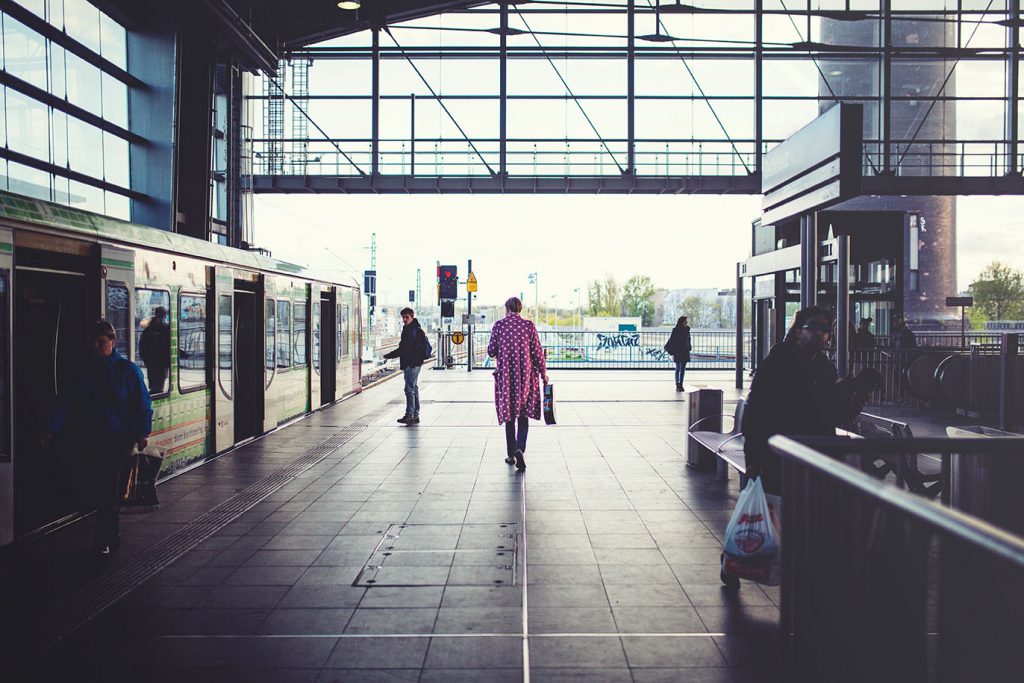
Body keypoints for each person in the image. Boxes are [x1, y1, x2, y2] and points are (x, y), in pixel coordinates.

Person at [42, 320, 152, 557]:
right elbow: (65, 401)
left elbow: (143, 404)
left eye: (101, 342)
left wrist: (143, 432)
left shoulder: (127, 371)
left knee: (106, 488)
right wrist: (51, 427)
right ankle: (111, 532)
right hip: (89, 439)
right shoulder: (82, 372)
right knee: (104, 488)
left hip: (118, 440)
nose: (95, 346)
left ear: (113, 342)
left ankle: (103, 538)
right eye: (92, 342)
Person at [741, 306, 868, 498]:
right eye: (813, 327)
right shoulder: (776, 364)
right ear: (798, 332)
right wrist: (753, 459)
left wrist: (854, 405)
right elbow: (756, 412)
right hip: (778, 453)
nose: (820, 333)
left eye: (825, 329)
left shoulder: (826, 370)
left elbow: (828, 415)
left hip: (815, 456)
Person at [487, 296, 548, 471]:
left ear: (507, 309)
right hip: (526, 377)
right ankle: (520, 448)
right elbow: (537, 353)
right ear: (520, 309)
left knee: (509, 416)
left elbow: (491, 351)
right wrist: (543, 373)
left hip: (507, 378)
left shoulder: (499, 326)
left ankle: (511, 454)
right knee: (523, 414)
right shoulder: (529, 326)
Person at [384, 307, 429, 425]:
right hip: (409, 364)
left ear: (412, 317)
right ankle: (415, 415)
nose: (404, 319)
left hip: (412, 365)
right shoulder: (407, 330)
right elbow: (402, 349)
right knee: (413, 389)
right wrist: (390, 355)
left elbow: (419, 350)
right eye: (403, 317)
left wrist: (413, 363)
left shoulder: (417, 331)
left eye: (407, 317)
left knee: (409, 389)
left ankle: (410, 415)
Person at [139, 306, 171, 393]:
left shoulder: (148, 329)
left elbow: (142, 346)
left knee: (153, 385)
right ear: (165, 316)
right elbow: (170, 344)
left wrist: (146, 359)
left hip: (152, 362)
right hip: (161, 362)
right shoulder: (167, 328)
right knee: (159, 385)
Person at [664, 316, 692, 392]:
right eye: (685, 321)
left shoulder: (687, 330)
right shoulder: (676, 330)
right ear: (681, 322)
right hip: (678, 351)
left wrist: (689, 347)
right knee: (678, 367)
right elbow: (672, 340)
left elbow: (688, 339)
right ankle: (677, 384)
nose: (686, 322)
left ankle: (681, 384)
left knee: (683, 368)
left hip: (685, 351)